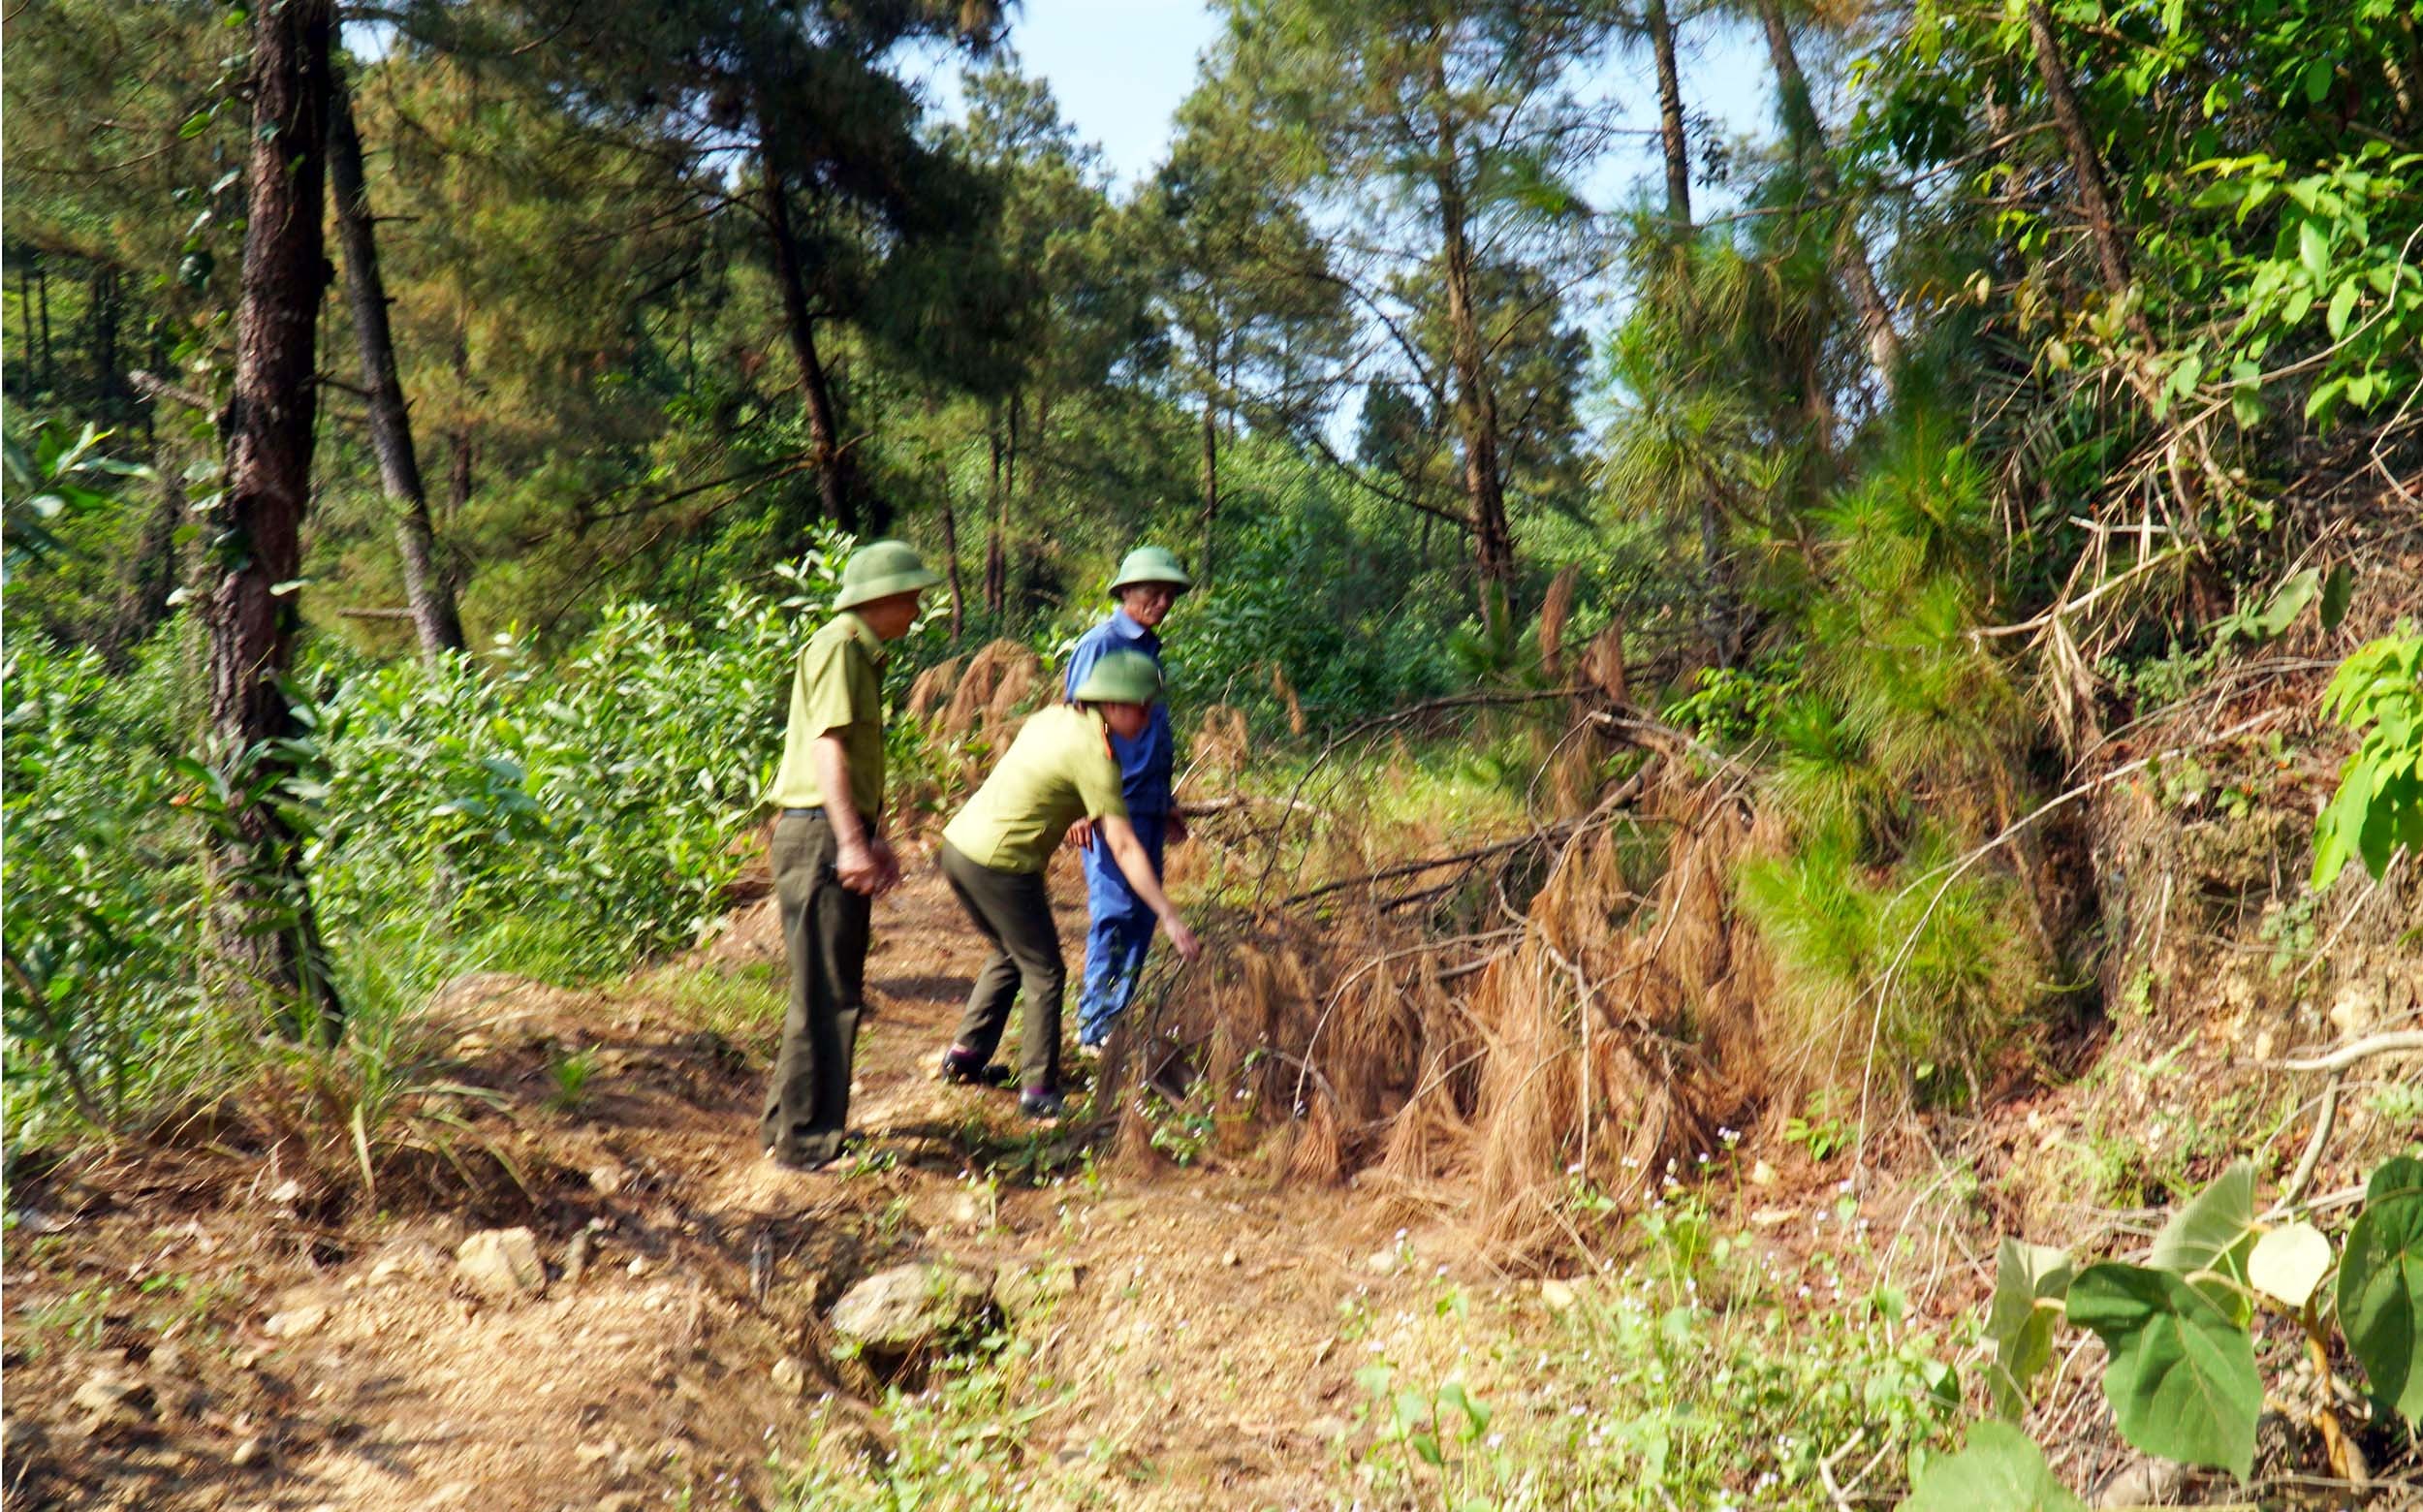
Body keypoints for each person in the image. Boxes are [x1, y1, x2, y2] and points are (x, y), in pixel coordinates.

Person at [935, 648, 1202, 1119]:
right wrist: (1168, 913)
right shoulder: (1096, 756)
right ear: (1113, 704)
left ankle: (966, 1058)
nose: (1147, 716)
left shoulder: (1053, 718)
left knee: (1011, 953)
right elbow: (1122, 846)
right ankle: (1038, 1091)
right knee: (1046, 971)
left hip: (960, 849)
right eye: (1142, 706)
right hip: (1000, 863)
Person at [760, 539, 941, 1172]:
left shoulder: (858, 652)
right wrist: (848, 841)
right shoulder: (840, 647)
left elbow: (855, 759)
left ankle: (793, 1125)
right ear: (880, 598)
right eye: (912, 597)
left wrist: (874, 834)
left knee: (824, 986)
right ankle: (805, 1141)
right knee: (827, 992)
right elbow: (828, 750)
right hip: (817, 835)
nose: (918, 609)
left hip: (827, 829)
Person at [1061, 547, 1194, 1051]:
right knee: (1114, 912)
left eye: (1169, 595)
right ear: (1123, 593)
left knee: (1141, 915)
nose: (1161, 602)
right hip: (1107, 806)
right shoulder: (1101, 644)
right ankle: (1094, 1029)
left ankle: (1115, 1023)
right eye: (1150, 592)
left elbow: (1149, 733)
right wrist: (1078, 805)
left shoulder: (1149, 649)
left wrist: (1167, 799)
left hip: (1146, 804)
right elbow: (1076, 725)